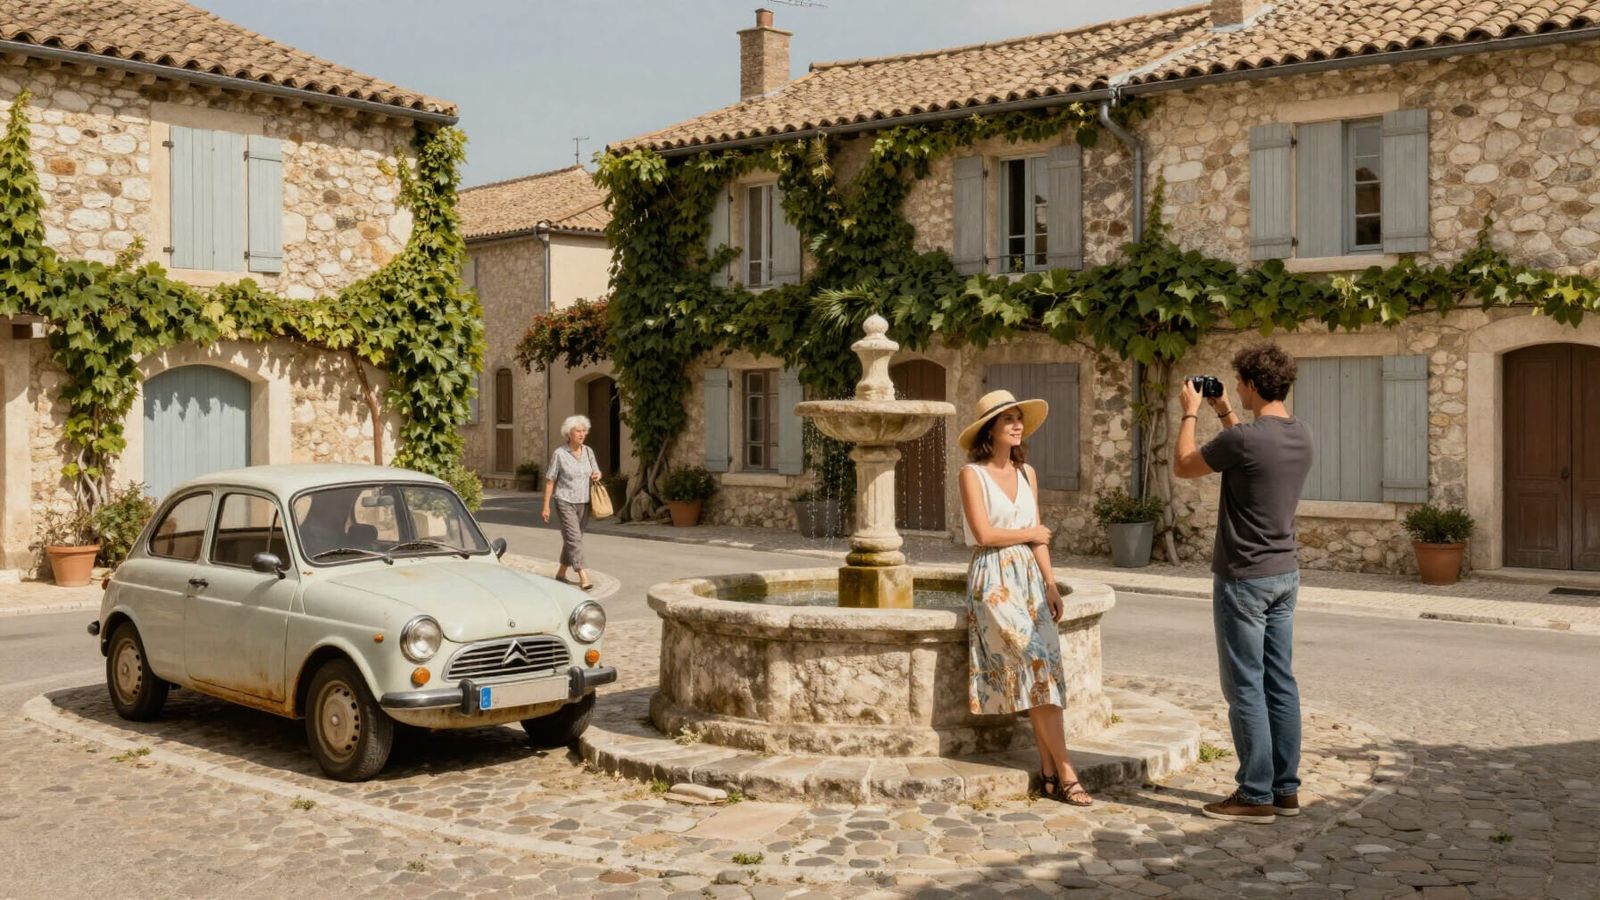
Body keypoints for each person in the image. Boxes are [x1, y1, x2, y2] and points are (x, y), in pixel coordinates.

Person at [1173, 343, 1314, 823]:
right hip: (1285, 574)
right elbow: (1249, 449)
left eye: (1238, 383)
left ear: (1252, 384)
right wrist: (1225, 411)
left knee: (1245, 688)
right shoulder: (1300, 435)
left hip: (1243, 578)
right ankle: (1285, 790)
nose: (1234, 388)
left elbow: (1185, 464)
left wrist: (1191, 414)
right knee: (1281, 682)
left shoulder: (1246, 441)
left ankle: (1255, 795)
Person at [957, 389, 1093, 807]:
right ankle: (1067, 770)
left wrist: (1051, 584)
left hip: (1031, 580)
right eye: (1007, 420)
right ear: (990, 431)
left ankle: (1049, 770)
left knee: (1044, 671)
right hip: (993, 579)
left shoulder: (1028, 473)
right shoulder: (971, 474)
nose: (1017, 426)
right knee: (1038, 668)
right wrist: (1030, 534)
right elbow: (983, 534)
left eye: (1019, 419)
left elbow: (1040, 539)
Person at [542, 415, 603, 591]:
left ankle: (561, 572)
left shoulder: (588, 451)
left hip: (584, 501)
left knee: (572, 539)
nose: (582, 434)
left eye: (584, 431)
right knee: (574, 538)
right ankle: (583, 575)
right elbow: (550, 480)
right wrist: (546, 505)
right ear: (569, 433)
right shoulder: (559, 454)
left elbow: (596, 471)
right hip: (564, 500)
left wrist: (597, 475)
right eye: (578, 431)